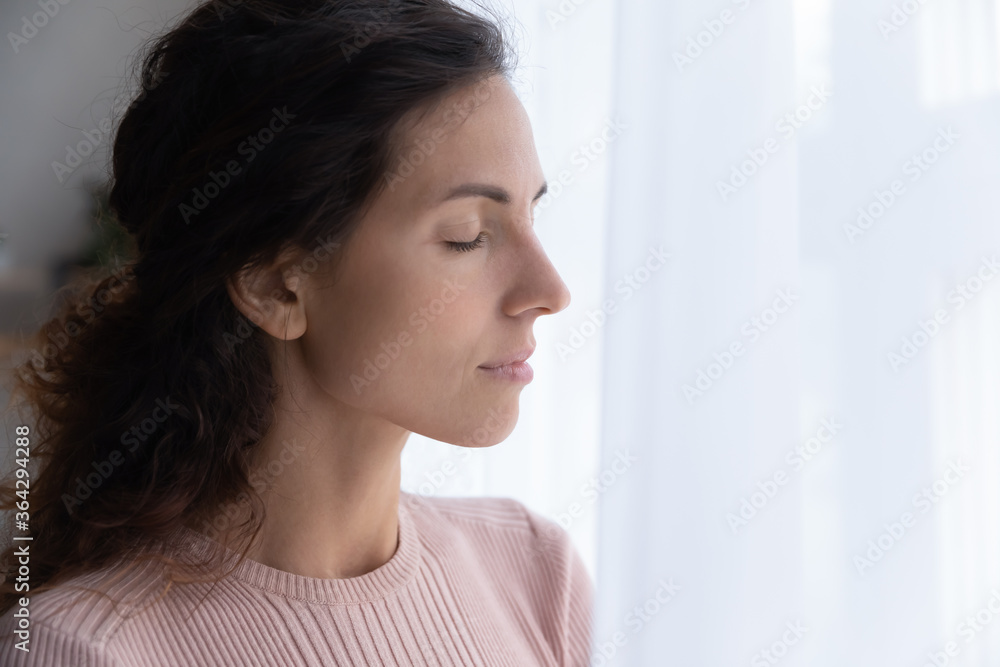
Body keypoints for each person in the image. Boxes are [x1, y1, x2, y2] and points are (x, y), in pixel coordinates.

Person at [0, 0, 594, 664]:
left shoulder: (537, 573)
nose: (550, 290)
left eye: (531, 221)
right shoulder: (88, 649)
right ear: (276, 285)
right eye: (468, 237)